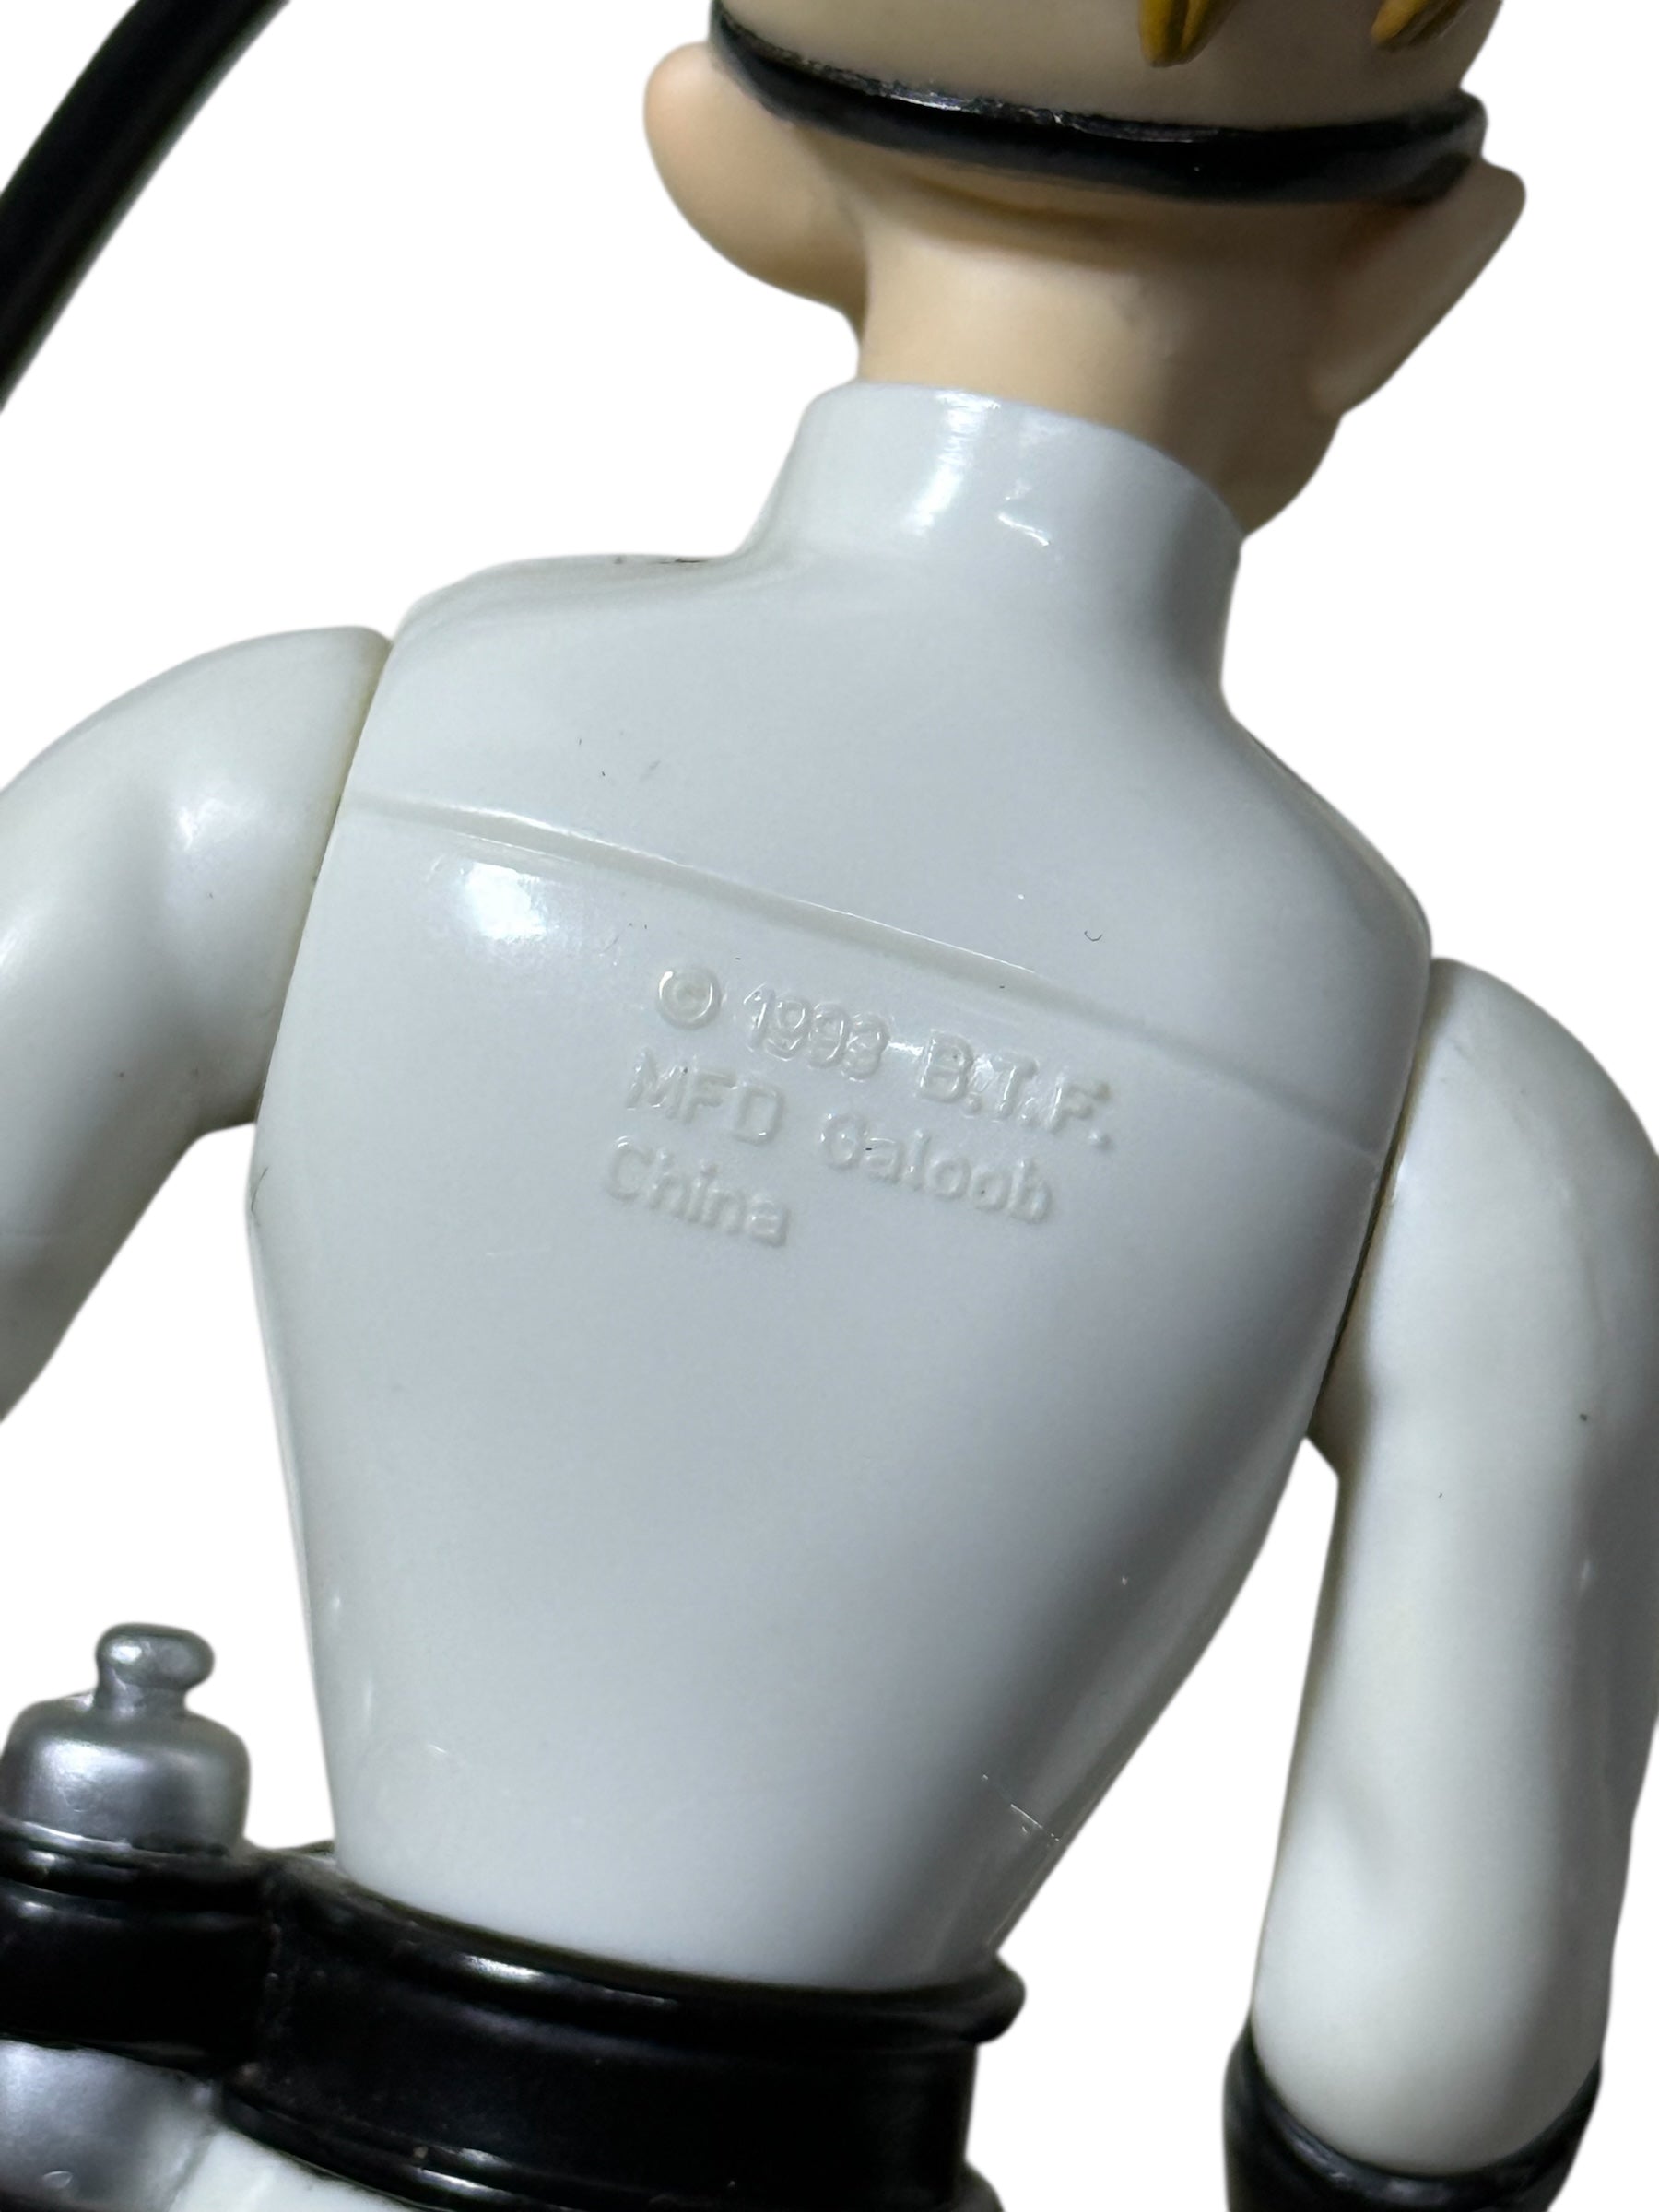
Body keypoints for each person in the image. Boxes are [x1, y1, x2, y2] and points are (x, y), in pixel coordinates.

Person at [0, 3, 1654, 2207]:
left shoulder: (301, 770)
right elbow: (1420, 2071)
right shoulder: (1476, 1135)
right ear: (1422, 268)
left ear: (717, 157)